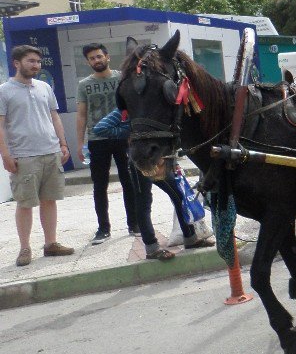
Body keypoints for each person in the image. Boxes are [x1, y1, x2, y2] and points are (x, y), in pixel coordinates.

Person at [93, 108, 214, 259]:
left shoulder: (155, 105)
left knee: (178, 195)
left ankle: (190, 238)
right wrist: (131, 131)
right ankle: (152, 248)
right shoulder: (128, 108)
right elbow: (100, 128)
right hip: (139, 161)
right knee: (144, 203)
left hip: (160, 158)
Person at [0, 45, 75, 267]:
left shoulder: (44, 87)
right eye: (31, 61)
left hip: (51, 152)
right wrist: (5, 154)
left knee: (50, 199)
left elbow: (55, 117)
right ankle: (25, 248)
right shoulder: (4, 91)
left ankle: (51, 243)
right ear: (17, 63)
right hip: (23, 156)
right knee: (25, 203)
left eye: (38, 62)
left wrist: (63, 144)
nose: (36, 65)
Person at [76, 42, 139, 244]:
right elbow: (81, 114)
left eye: (99, 56)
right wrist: (79, 143)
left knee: (129, 182)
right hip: (97, 140)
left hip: (123, 137)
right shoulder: (84, 84)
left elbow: (133, 106)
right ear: (88, 62)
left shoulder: (121, 77)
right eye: (92, 58)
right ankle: (103, 228)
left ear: (107, 57)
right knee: (99, 185)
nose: (96, 60)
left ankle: (134, 224)